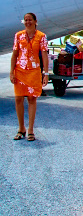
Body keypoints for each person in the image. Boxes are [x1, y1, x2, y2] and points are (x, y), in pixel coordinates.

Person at [10, 13, 49, 141]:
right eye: (26, 20)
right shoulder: (18, 35)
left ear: (35, 21)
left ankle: (31, 130)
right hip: (20, 71)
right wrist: (11, 72)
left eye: (30, 20)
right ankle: (21, 128)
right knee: (18, 99)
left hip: (34, 72)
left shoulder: (41, 36)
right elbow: (15, 54)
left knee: (32, 100)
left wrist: (46, 73)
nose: (28, 22)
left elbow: (44, 55)